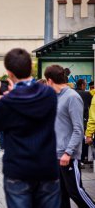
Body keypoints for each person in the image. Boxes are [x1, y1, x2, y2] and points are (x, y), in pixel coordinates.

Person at [0, 48, 60, 208]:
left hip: (19, 170)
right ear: (31, 67)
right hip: (47, 168)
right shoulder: (49, 95)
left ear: (9, 73)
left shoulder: (7, 102)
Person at [45, 65, 95, 208]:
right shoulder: (55, 97)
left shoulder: (72, 97)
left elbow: (78, 129)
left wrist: (68, 152)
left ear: (49, 80)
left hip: (68, 155)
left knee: (76, 192)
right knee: (61, 194)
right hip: (56, 154)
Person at [75, 79, 93, 166]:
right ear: (82, 85)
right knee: (84, 139)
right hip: (84, 119)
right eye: (85, 85)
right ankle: (82, 159)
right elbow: (91, 106)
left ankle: (77, 159)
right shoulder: (87, 94)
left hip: (74, 118)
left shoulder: (73, 93)